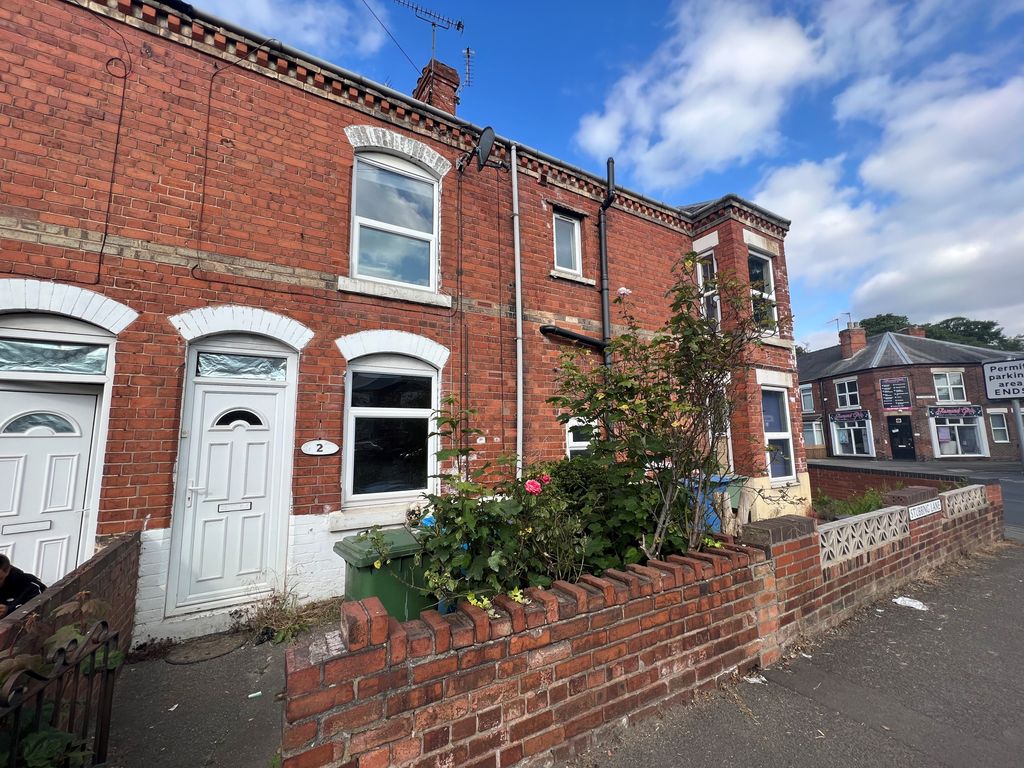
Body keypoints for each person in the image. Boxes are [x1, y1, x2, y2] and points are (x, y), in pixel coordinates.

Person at [0, 554, 46, 618]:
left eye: (0, 578)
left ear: (7, 571)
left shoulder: (29, 583)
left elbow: (41, 605)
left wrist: (9, 610)